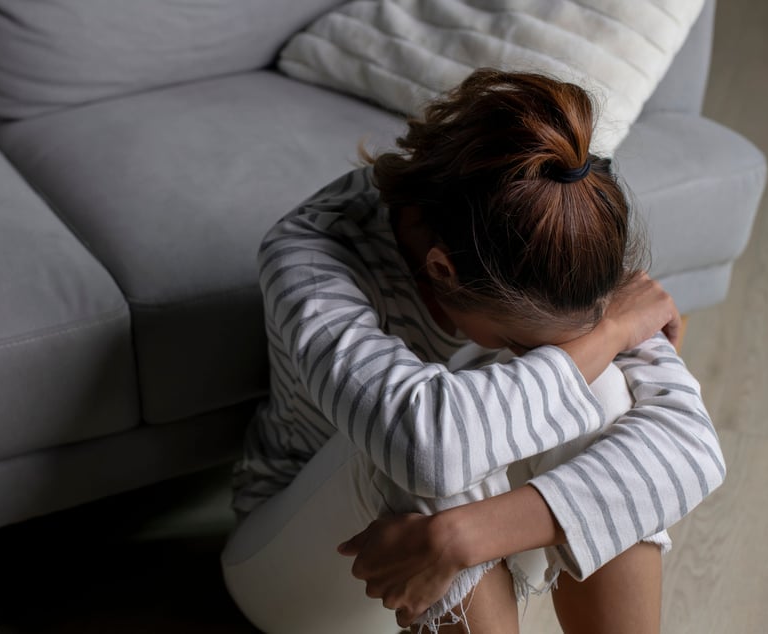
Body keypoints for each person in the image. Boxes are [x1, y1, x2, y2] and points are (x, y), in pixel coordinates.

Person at [220, 69, 725, 633]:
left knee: (609, 393)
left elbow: (694, 449)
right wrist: (608, 336)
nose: (581, 342)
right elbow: (426, 446)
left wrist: (461, 537)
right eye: (522, 344)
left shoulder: (557, 227)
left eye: (594, 328)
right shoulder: (310, 257)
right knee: (429, 458)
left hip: (448, 554)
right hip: (311, 569)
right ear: (443, 271)